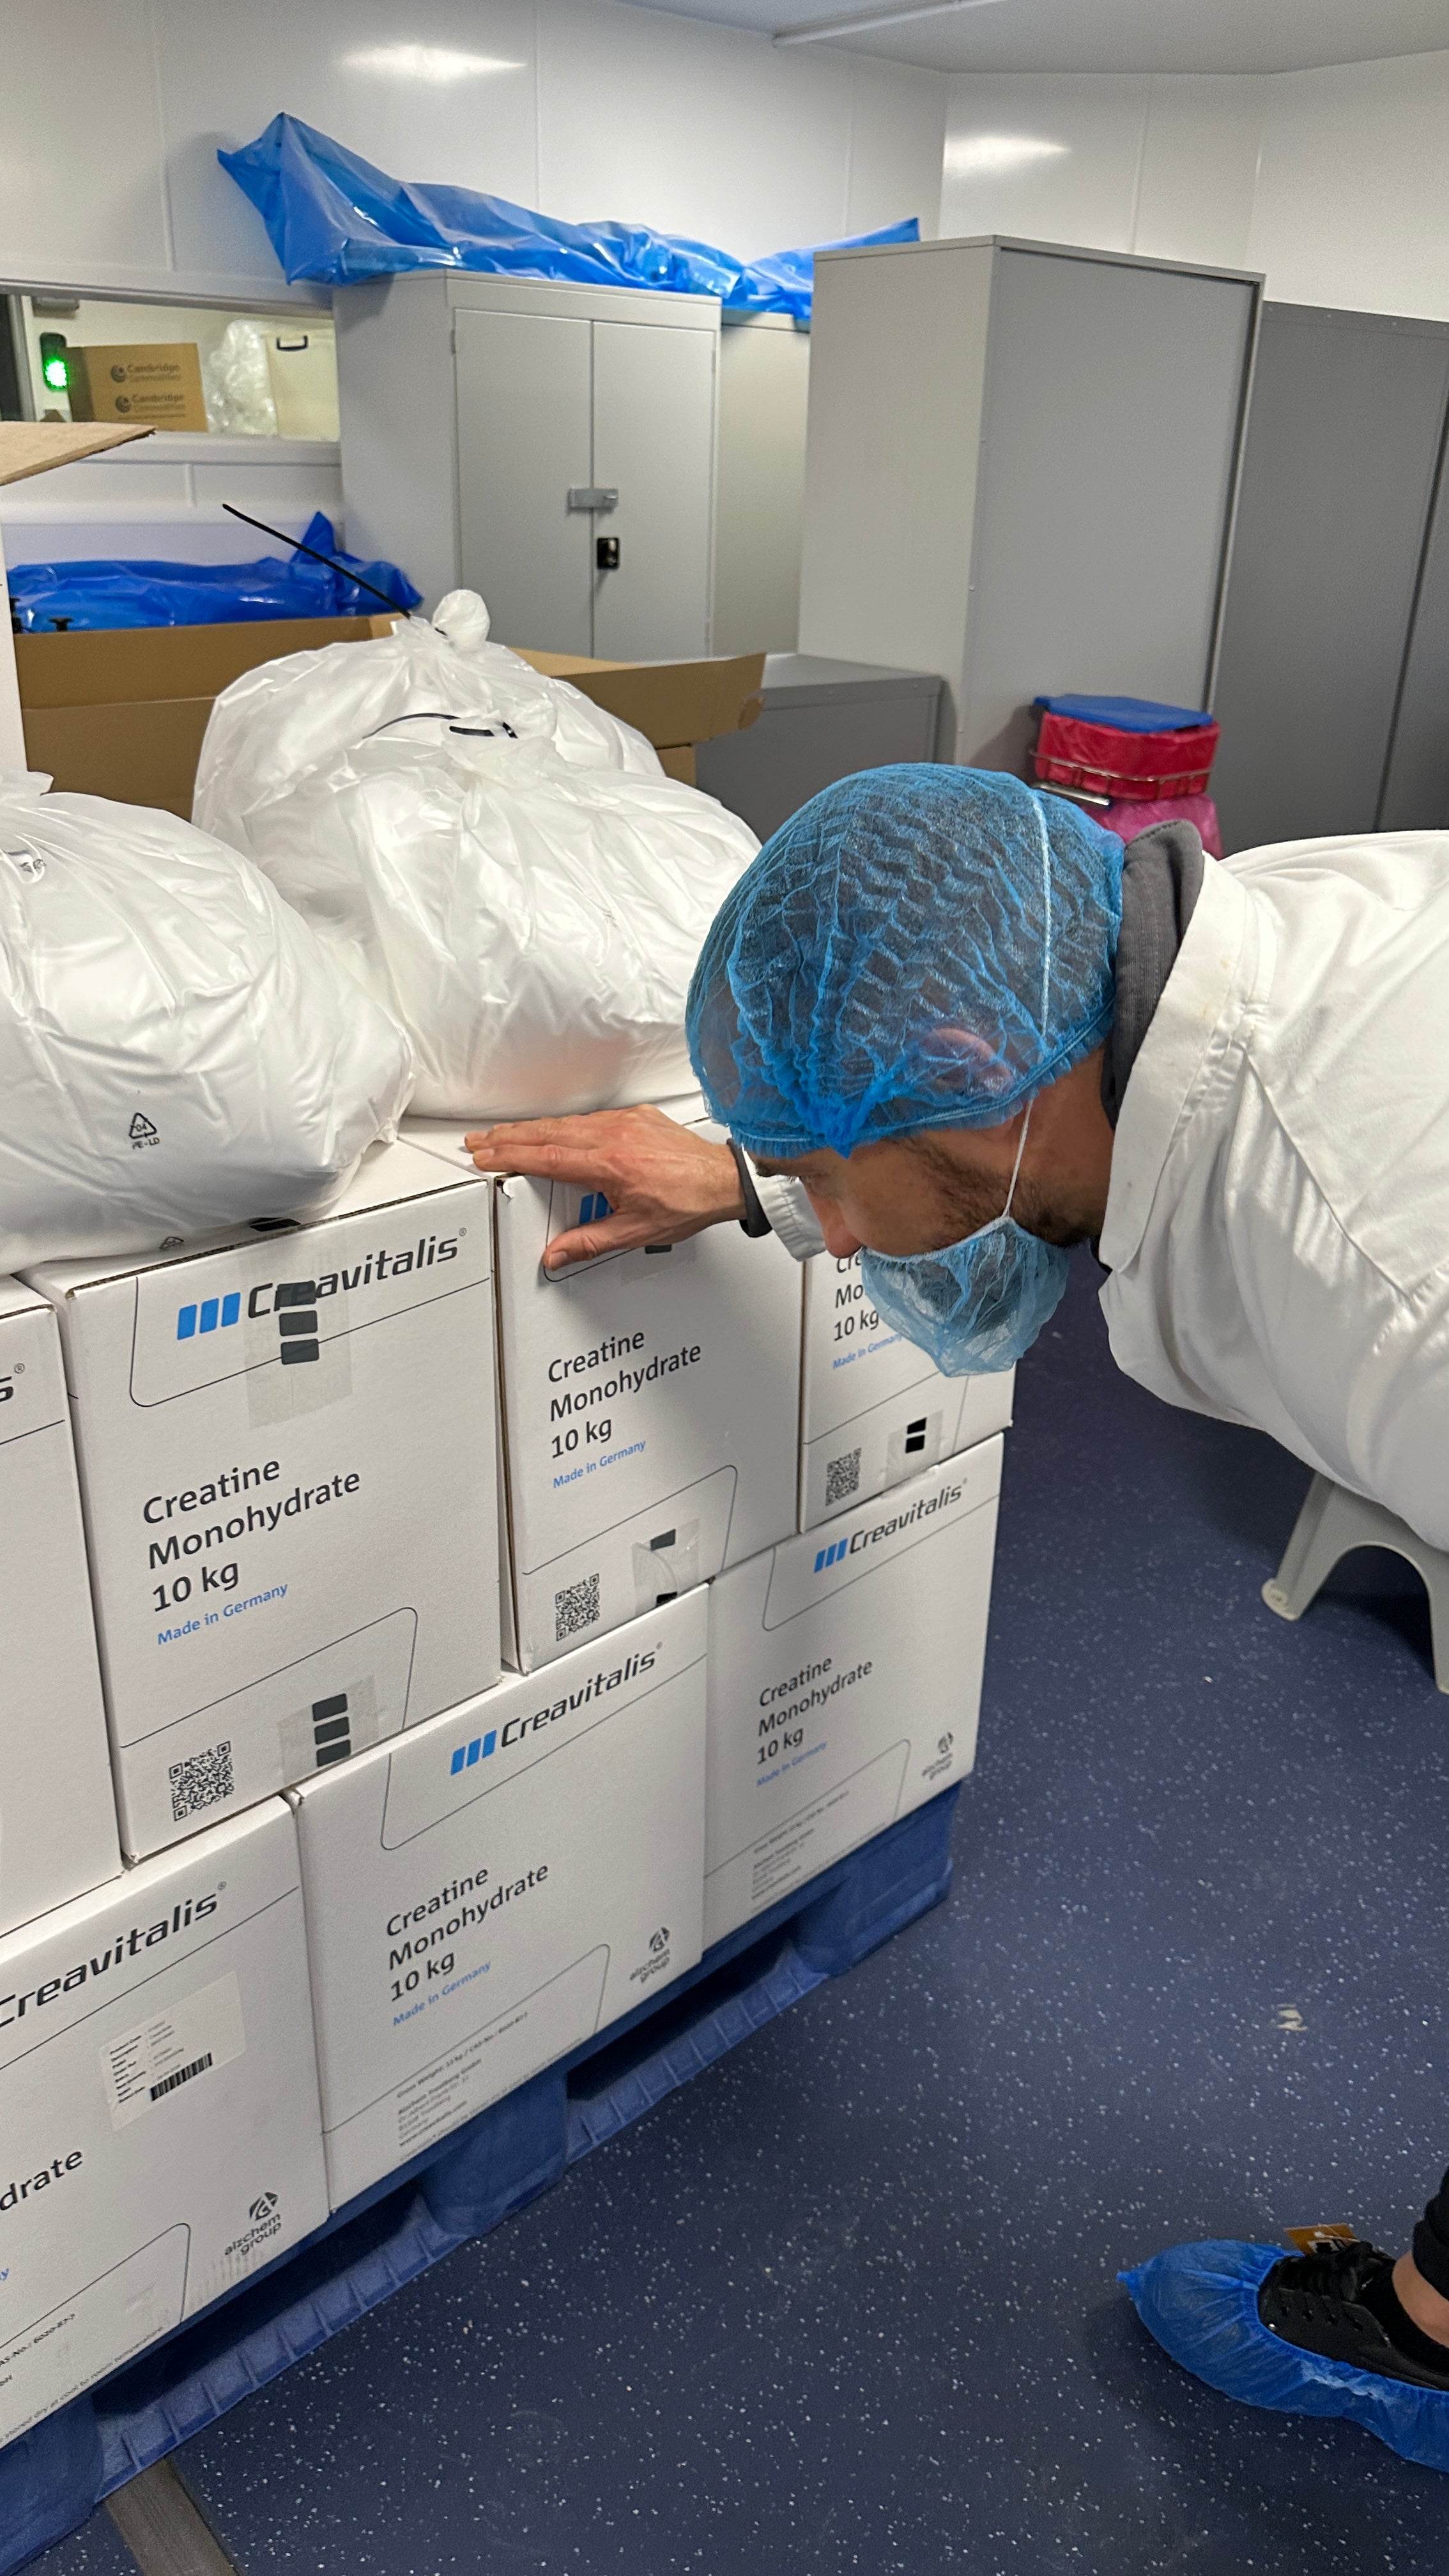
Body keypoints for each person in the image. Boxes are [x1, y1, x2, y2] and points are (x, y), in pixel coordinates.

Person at [464, 763, 1449, 2470]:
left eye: (825, 1186)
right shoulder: (1203, 960)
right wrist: (758, 1177)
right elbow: (927, 1151)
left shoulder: (1384, 1280)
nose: (832, 1246)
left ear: (991, 1111)